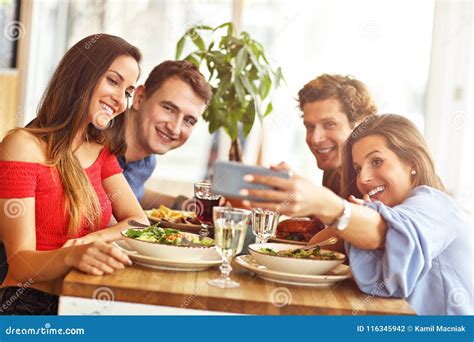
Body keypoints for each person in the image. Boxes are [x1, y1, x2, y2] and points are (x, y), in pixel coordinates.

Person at [240, 114, 473, 315]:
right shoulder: (390, 212)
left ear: (412, 162)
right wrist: (351, 217)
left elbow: (381, 233)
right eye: (359, 168)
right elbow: (316, 248)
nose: (363, 179)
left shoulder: (436, 205)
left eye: (377, 161)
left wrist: (326, 204)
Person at [0, 34, 147, 315]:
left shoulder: (101, 151)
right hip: (28, 305)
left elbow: (139, 222)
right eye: (113, 81)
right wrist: (72, 254)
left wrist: (89, 242)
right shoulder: (21, 146)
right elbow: (19, 263)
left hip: (83, 301)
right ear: (81, 76)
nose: (120, 100)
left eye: (128, 91)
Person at [276, 74, 377, 242]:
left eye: (329, 124)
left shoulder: (377, 176)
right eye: (309, 126)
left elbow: (377, 236)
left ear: (360, 124)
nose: (315, 139)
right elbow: (333, 226)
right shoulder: (333, 170)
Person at [118, 60, 212, 210]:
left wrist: (189, 205)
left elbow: (132, 195)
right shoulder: (93, 141)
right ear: (139, 98)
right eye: (168, 109)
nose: (175, 129)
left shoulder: (147, 162)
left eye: (188, 120)